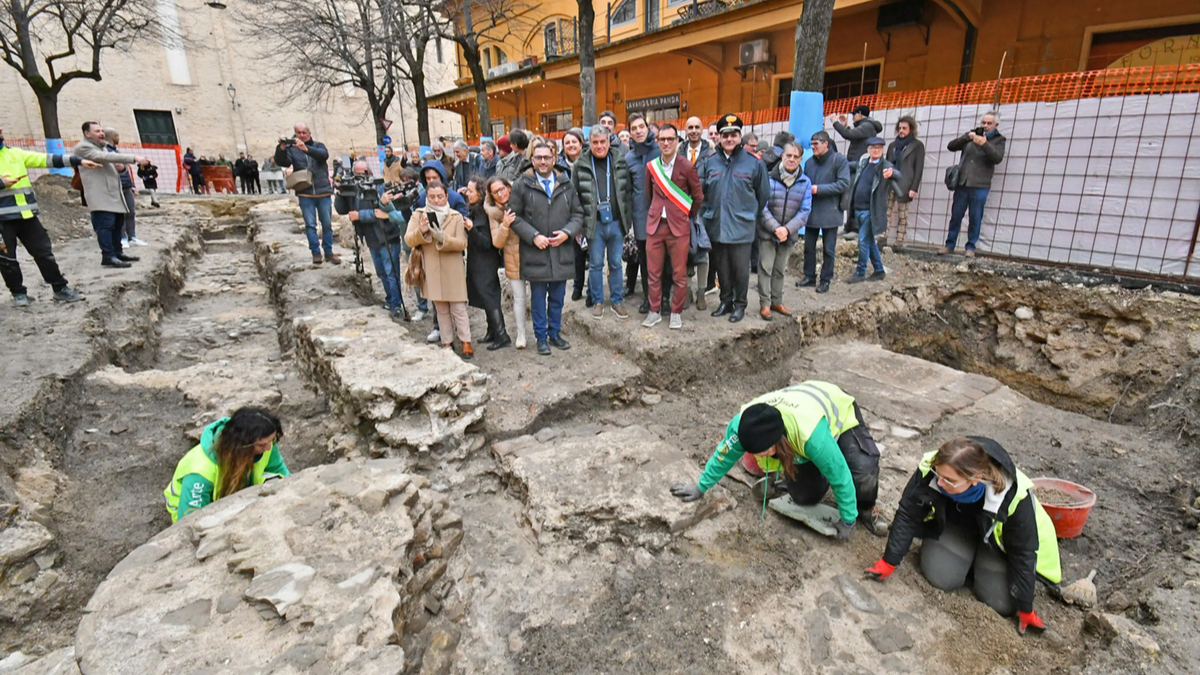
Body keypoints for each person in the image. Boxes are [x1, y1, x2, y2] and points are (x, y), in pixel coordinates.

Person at [866, 437, 1061, 634]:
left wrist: (1025, 606)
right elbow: (908, 514)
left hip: (999, 546)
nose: (939, 482)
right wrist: (889, 560)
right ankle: (967, 560)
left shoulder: (1014, 496)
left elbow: (1023, 552)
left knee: (1001, 602)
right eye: (938, 475)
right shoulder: (936, 468)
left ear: (976, 478)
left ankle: (977, 563)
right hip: (958, 526)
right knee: (940, 577)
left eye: (949, 480)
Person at [670, 381, 889, 537]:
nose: (758, 456)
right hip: (799, 407)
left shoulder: (810, 436)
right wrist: (700, 487)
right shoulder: (744, 425)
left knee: (861, 471)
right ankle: (812, 472)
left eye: (763, 451)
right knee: (804, 497)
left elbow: (839, 473)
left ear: (778, 439)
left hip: (837, 411)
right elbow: (723, 456)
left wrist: (848, 518)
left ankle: (865, 507)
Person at [0, 124, 93, 306]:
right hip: (2, 221)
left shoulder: (15, 154)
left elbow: (47, 159)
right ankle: (19, 294)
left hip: (27, 216)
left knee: (44, 253)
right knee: (7, 259)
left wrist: (77, 161)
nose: (1, 131)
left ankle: (60, 289)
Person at [508, 140, 584, 356]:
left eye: (547, 157)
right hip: (536, 252)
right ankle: (541, 337)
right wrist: (533, 236)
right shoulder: (522, 185)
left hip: (561, 250)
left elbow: (578, 214)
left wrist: (567, 233)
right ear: (532, 160)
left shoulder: (566, 184)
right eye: (538, 158)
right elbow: (514, 217)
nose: (543, 161)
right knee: (539, 298)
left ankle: (555, 333)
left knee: (558, 297)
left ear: (554, 159)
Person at [698, 113, 769, 323]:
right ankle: (725, 301)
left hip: (742, 226)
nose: (729, 139)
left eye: (734, 134)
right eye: (725, 135)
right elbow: (702, 193)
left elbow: (763, 194)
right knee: (722, 268)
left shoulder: (754, 163)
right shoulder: (710, 162)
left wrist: (750, 215)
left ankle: (740, 305)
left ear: (740, 136)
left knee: (740, 270)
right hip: (717, 225)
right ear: (719, 137)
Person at [164, 408, 289, 523]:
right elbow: (189, 519)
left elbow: (280, 471)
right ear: (241, 445)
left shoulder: (265, 442)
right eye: (262, 445)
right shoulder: (200, 471)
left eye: (271, 442)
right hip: (194, 505)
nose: (268, 448)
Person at [642, 123, 702, 330]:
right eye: (662, 139)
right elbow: (649, 195)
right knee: (653, 273)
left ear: (677, 141)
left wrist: (685, 216)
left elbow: (697, 197)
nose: (666, 143)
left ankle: (676, 312)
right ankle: (654, 311)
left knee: (679, 273)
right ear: (657, 142)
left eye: (670, 139)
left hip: (678, 228)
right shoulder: (651, 167)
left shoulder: (687, 166)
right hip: (656, 226)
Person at [405, 183, 473, 358]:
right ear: (426, 197)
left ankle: (466, 341)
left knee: (458, 307)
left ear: (446, 196)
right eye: (432, 196)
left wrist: (444, 238)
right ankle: (447, 342)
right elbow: (408, 240)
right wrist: (421, 231)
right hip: (432, 267)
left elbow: (462, 243)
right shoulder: (418, 214)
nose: (436, 200)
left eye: (440, 196)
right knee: (441, 308)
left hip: (453, 267)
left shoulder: (455, 216)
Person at [574, 125, 632, 319]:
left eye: (602, 142)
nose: (599, 146)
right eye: (595, 142)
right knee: (596, 264)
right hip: (594, 224)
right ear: (589, 143)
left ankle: (617, 300)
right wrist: (579, 226)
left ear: (609, 142)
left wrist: (627, 219)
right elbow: (575, 196)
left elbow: (627, 191)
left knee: (616, 263)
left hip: (616, 222)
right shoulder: (580, 164)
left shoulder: (620, 160)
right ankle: (598, 301)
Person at [74, 122, 149, 268]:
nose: (102, 133)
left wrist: (121, 169)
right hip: (100, 194)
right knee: (105, 225)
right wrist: (135, 158)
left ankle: (117, 252)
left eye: (102, 130)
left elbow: (111, 163)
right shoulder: (83, 147)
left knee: (117, 224)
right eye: (97, 131)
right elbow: (104, 157)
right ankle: (108, 256)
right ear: (87, 134)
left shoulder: (102, 147)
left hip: (113, 192)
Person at [342, 161, 407, 320]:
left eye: (362, 172)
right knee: (381, 272)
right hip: (371, 238)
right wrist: (340, 191)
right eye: (356, 173)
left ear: (369, 172)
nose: (360, 176)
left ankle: (396, 304)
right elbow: (343, 209)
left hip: (387, 236)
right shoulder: (355, 190)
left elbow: (379, 212)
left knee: (391, 272)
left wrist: (360, 216)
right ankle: (389, 299)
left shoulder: (380, 187)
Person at [758, 142, 811, 320]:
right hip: (768, 232)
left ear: (800, 159)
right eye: (788, 155)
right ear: (782, 156)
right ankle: (765, 304)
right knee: (766, 268)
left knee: (780, 269)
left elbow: (805, 211)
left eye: (796, 157)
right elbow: (762, 206)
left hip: (788, 235)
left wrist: (787, 230)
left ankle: (777, 301)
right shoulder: (769, 178)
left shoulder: (805, 182)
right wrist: (776, 228)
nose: (791, 159)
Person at [941, 112, 1006, 257]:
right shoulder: (971, 135)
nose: (985, 126)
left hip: (980, 185)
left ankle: (970, 247)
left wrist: (984, 144)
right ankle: (949, 244)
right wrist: (967, 137)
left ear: (996, 125)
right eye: (984, 123)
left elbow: (997, 157)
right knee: (956, 216)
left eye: (989, 123)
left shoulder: (999, 140)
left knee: (975, 217)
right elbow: (951, 146)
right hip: (963, 183)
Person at [276, 123, 339, 265]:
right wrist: (281, 147)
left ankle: (328, 251)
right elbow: (283, 162)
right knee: (310, 225)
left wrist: (306, 149)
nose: (302, 135)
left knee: (327, 224)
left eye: (304, 132)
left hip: (323, 192)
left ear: (309, 133)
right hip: (305, 192)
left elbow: (323, 156)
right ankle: (315, 253)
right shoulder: (292, 149)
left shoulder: (318, 145)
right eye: (298, 133)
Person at [622, 114, 666, 315]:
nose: (638, 130)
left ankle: (664, 298)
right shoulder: (629, 158)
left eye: (642, 126)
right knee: (646, 262)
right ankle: (649, 299)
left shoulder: (661, 151)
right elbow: (628, 191)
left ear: (648, 129)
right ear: (630, 132)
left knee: (664, 261)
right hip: (641, 218)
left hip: (664, 216)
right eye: (634, 128)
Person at [847, 137, 902, 284]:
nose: (876, 150)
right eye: (873, 148)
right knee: (869, 241)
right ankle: (878, 270)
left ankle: (860, 272)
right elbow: (850, 166)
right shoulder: (863, 163)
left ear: (882, 150)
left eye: (879, 147)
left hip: (870, 210)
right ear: (868, 150)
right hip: (858, 208)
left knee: (863, 241)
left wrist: (892, 173)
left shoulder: (885, 165)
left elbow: (897, 174)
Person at [801, 131, 850, 294]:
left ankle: (825, 280)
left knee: (829, 250)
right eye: (811, 144)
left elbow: (843, 184)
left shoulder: (839, 161)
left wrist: (819, 189)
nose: (812, 147)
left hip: (831, 211)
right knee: (808, 247)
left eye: (816, 144)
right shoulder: (808, 163)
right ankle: (809, 276)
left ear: (826, 144)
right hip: (812, 212)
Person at [464, 176, 510, 349]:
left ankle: (501, 334)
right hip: (477, 261)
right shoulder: (475, 210)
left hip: (486, 261)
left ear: (480, 193)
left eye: (470, 190)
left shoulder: (484, 214)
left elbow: (487, 242)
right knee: (483, 296)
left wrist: (471, 229)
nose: (467, 193)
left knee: (490, 296)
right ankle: (492, 331)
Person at [485, 176, 528, 349]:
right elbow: (497, 242)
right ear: (492, 196)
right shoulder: (494, 213)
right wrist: (505, 225)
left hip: (532, 253)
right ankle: (521, 333)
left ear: (509, 187)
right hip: (512, 257)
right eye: (496, 192)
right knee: (519, 297)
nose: (500, 194)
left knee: (541, 295)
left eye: (502, 189)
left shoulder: (522, 199)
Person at [833, 105, 884, 237]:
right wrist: (847, 126)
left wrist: (836, 123)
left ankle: (855, 228)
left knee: (855, 197)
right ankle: (849, 226)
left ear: (860, 114)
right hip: (856, 166)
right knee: (851, 197)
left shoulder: (867, 126)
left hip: (858, 167)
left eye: (854, 115)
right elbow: (855, 136)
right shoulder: (867, 126)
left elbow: (849, 135)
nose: (853, 117)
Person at [682, 116, 713, 309]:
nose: (693, 130)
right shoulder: (678, 152)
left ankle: (701, 291)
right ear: (685, 130)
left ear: (702, 130)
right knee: (683, 251)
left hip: (704, 209)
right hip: (683, 209)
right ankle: (686, 290)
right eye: (690, 127)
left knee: (703, 251)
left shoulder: (711, 154)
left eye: (697, 127)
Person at [555, 129, 588, 303]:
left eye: (574, 142)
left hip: (589, 213)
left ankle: (592, 288)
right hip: (570, 215)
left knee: (593, 253)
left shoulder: (589, 162)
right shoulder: (559, 166)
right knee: (577, 255)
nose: (571, 145)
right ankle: (577, 286)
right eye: (567, 142)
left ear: (581, 144)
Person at [885, 116, 924, 247]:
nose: (901, 131)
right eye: (900, 128)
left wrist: (914, 188)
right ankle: (882, 237)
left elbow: (918, 168)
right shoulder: (892, 145)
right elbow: (886, 163)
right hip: (890, 183)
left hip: (905, 184)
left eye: (904, 128)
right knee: (886, 212)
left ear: (911, 129)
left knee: (903, 215)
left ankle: (899, 241)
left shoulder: (917, 146)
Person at [104, 128, 144, 248]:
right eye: (117, 135)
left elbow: (126, 170)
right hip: (116, 186)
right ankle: (122, 238)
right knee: (120, 213)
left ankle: (132, 237)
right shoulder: (106, 151)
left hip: (126, 185)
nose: (119, 138)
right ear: (113, 137)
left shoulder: (116, 151)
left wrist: (132, 185)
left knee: (131, 211)